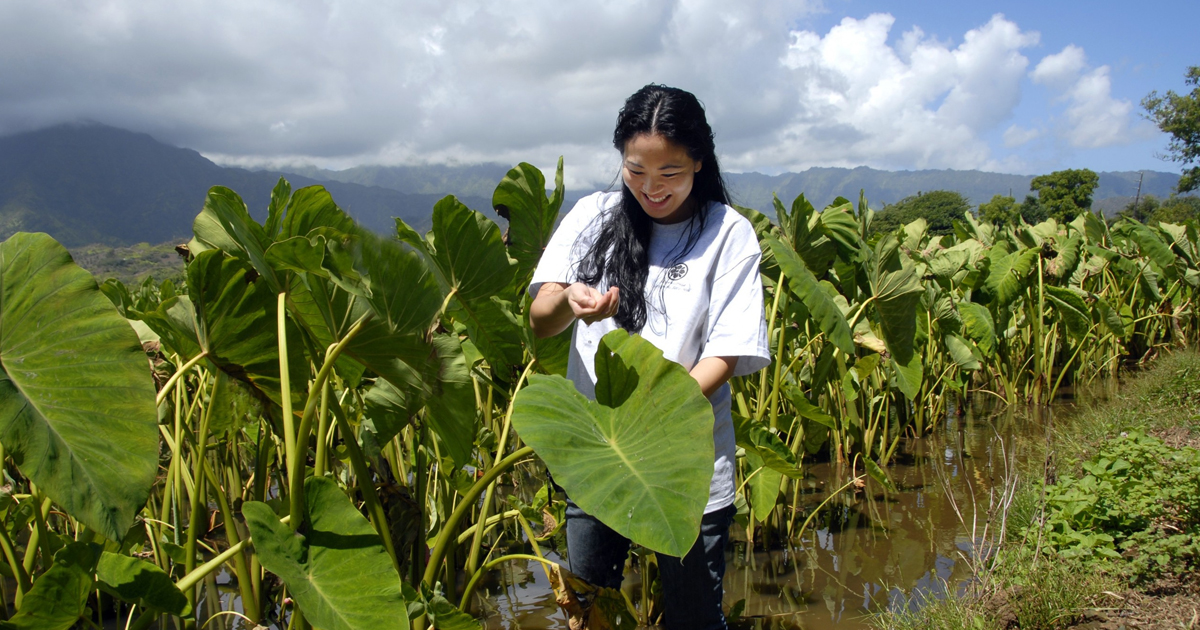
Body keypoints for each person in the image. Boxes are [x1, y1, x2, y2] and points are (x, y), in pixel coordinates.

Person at [527, 84, 770, 629]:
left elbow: (725, 353)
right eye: (636, 171)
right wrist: (568, 300)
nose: (652, 189)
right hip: (598, 451)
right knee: (590, 612)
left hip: (686, 460)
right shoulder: (592, 215)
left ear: (699, 163)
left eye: (671, 174)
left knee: (693, 618)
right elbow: (540, 321)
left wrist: (656, 407)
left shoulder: (727, 233)